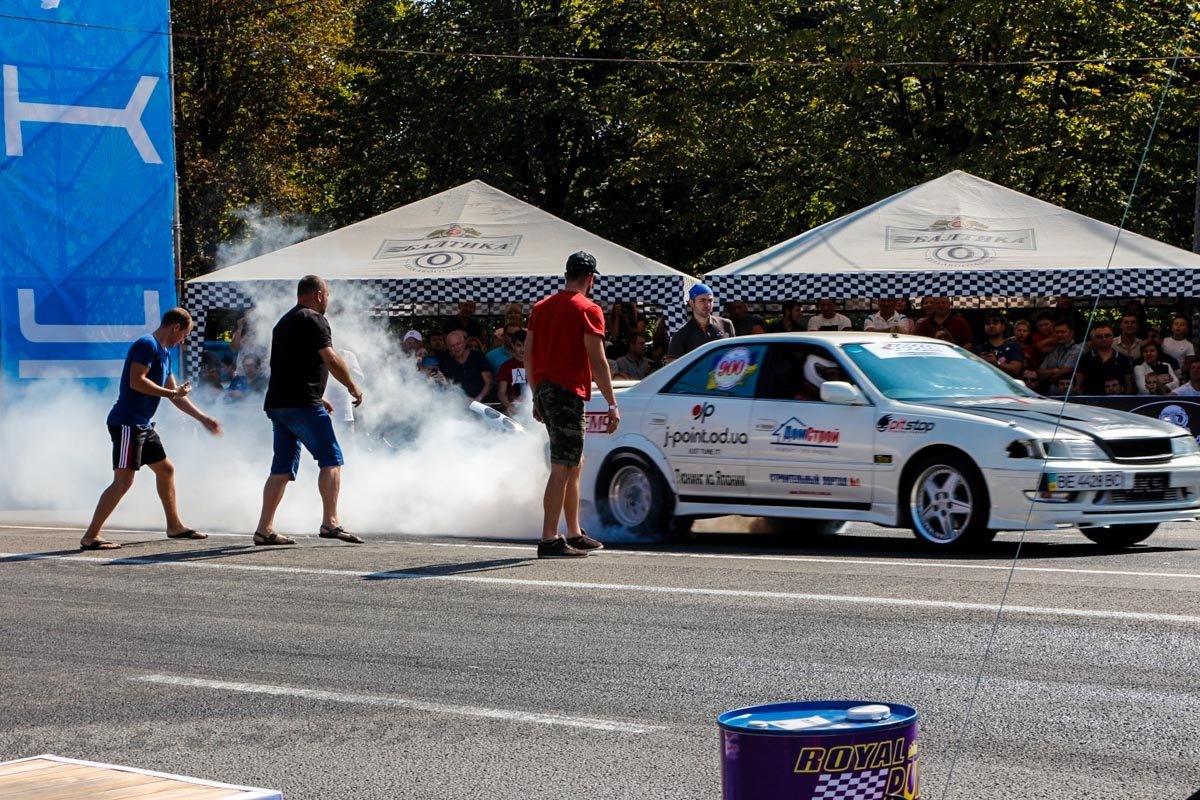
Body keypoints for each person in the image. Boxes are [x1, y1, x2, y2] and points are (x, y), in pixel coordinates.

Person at [80, 308, 222, 551]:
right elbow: (138, 381)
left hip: (142, 424)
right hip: (127, 423)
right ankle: (91, 536)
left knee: (166, 470)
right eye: (184, 335)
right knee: (123, 481)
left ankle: (174, 526)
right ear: (175, 327)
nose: (183, 341)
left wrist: (202, 418)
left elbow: (175, 396)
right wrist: (171, 393)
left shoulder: (164, 354)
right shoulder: (147, 345)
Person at [254, 275, 365, 546]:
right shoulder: (314, 319)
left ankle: (264, 529)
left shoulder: (284, 322)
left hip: (280, 404)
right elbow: (330, 357)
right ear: (318, 294)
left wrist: (317, 396)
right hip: (301, 403)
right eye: (327, 295)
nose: (327, 301)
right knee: (331, 459)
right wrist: (353, 386)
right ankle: (331, 523)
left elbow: (290, 364)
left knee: (281, 468)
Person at [526, 251, 619, 558]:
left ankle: (574, 533)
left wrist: (535, 394)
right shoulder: (588, 309)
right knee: (562, 466)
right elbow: (598, 359)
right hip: (567, 392)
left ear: (567, 274)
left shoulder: (540, 308)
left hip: (546, 389)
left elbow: (528, 354)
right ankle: (549, 538)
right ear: (590, 279)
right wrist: (611, 402)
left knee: (574, 463)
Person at [667, 283, 734, 362]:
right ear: (692, 303)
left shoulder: (726, 324)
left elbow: (736, 353)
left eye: (710, 300)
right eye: (702, 300)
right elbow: (673, 366)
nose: (707, 304)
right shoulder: (681, 334)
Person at [1075, 322, 1134, 395]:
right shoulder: (1085, 358)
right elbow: (1078, 385)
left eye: (1107, 335)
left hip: (1118, 403)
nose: (1104, 338)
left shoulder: (1123, 359)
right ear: (1094, 339)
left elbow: (1129, 386)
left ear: (1113, 337)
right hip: (1091, 403)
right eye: (1100, 336)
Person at [439, 329, 494, 403]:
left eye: (458, 344)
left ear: (464, 343)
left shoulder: (478, 357)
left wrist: (478, 399)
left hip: (482, 403)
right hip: (460, 405)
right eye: (452, 346)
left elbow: (489, 382)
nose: (456, 348)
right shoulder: (447, 364)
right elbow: (448, 387)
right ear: (448, 347)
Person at [324, 349, 364, 448]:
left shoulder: (347, 355)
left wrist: (343, 368)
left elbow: (359, 378)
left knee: (348, 447)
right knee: (326, 448)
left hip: (344, 414)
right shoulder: (321, 352)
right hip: (323, 411)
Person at [1037, 320, 1083, 393]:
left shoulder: (1077, 349)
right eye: (1057, 332)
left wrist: (1049, 376)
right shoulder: (1053, 350)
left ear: (1071, 333)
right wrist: (1053, 371)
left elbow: (1064, 372)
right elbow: (1040, 373)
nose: (1059, 335)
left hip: (1069, 394)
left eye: (1063, 332)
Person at [974, 313, 1024, 378]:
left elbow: (1016, 370)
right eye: (988, 323)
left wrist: (996, 363)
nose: (991, 325)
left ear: (1003, 327)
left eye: (995, 322)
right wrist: (980, 362)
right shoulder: (979, 348)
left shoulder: (1013, 346)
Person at [496, 329, 529, 415]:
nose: (522, 349)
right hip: (513, 411)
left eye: (525, 345)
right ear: (513, 345)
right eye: (519, 345)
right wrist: (508, 406)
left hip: (531, 410)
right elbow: (501, 392)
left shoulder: (535, 366)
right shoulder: (506, 366)